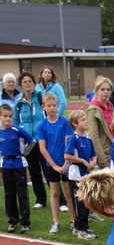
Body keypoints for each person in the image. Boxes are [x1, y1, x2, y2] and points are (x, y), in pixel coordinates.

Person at [36, 93, 75, 234]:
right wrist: (54, 166)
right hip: (51, 165)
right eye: (49, 106)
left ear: (58, 106)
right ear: (43, 107)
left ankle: (73, 220)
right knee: (54, 192)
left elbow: (68, 143)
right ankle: (56, 222)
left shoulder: (64, 122)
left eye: (54, 105)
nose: (52, 108)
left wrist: (65, 163)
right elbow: (42, 148)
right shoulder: (42, 125)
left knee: (69, 192)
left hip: (65, 163)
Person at [13, 71, 50, 209]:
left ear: (34, 83)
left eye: (30, 81)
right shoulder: (19, 103)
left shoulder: (40, 97)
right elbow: (15, 121)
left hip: (41, 140)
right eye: (24, 82)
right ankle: (41, 199)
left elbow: (48, 116)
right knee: (34, 172)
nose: (28, 84)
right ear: (21, 85)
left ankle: (61, 201)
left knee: (48, 170)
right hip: (28, 142)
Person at [0, 103, 34, 233]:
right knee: (9, 194)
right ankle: (12, 220)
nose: (8, 119)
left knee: (22, 193)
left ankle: (25, 221)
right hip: (6, 165)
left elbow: (31, 141)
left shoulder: (17, 130)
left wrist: (23, 153)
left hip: (19, 164)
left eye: (10, 116)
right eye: (5, 116)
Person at [64, 110, 98, 240]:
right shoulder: (73, 138)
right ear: (75, 123)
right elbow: (67, 155)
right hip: (76, 174)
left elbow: (93, 155)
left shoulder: (88, 139)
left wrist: (93, 162)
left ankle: (82, 226)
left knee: (86, 202)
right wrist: (83, 161)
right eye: (83, 120)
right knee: (80, 203)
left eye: (85, 119)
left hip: (86, 173)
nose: (86, 122)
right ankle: (80, 229)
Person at [86, 76, 114, 168]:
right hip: (105, 153)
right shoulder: (93, 110)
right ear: (96, 91)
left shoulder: (111, 107)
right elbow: (93, 135)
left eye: (108, 89)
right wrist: (101, 158)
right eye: (102, 89)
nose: (106, 92)